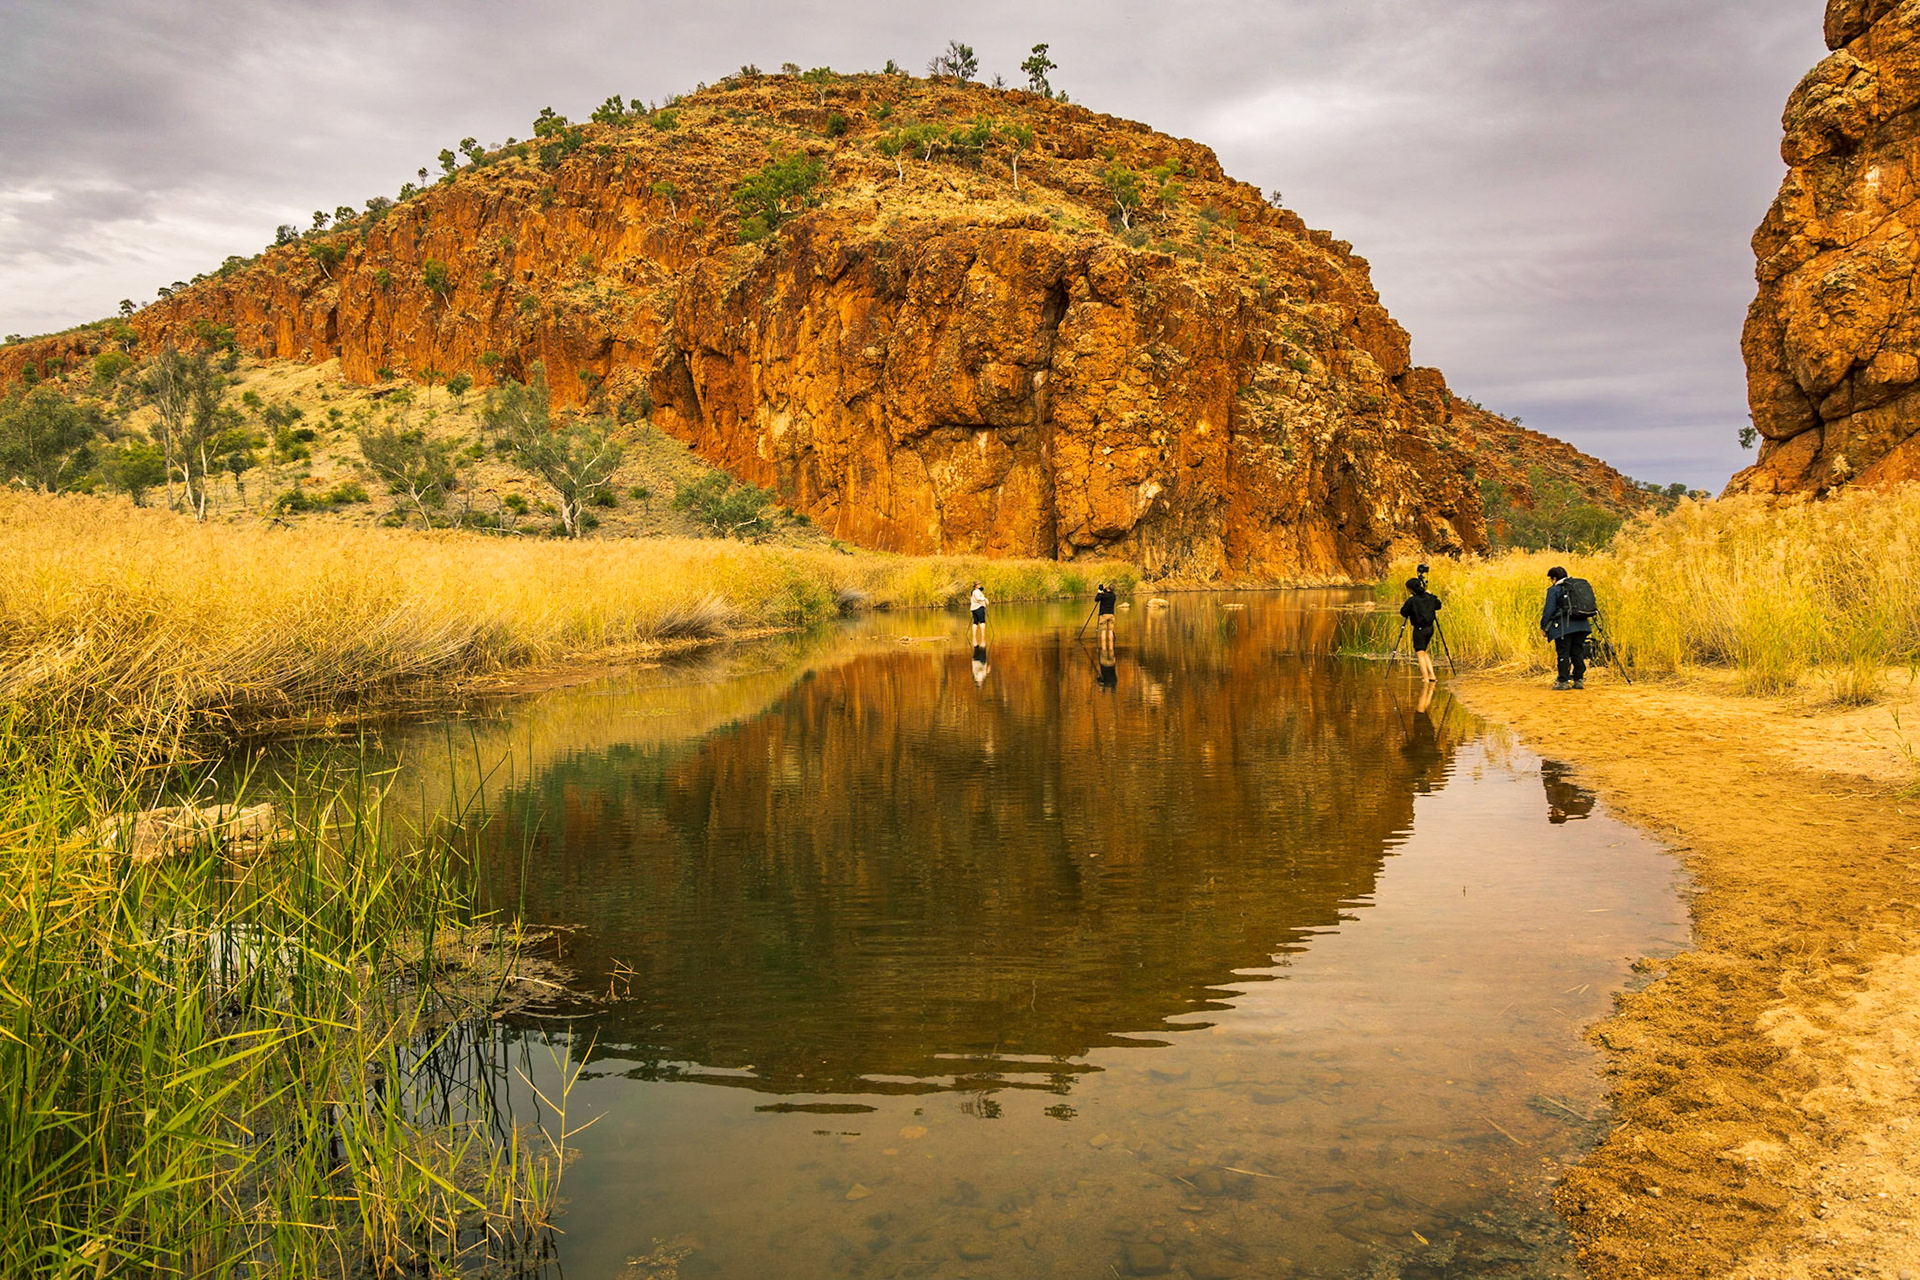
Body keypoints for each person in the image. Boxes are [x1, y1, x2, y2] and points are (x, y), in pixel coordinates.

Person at [1540, 566, 1592, 690]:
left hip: (1564, 627)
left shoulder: (1554, 590)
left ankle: (1563, 681)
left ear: (1554, 578)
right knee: (1577, 652)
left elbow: (1549, 610)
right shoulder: (1576, 587)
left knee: (1563, 652)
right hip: (1582, 625)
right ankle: (1578, 679)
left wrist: (1544, 626)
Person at [1398, 577, 1442, 683]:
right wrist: (1431, 595)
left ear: (1411, 589)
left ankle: (1426, 678)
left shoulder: (1412, 601)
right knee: (1423, 651)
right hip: (1430, 628)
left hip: (1419, 630)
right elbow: (1438, 605)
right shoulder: (1429, 597)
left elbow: (1404, 612)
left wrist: (1409, 602)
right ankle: (1432, 675)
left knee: (1420, 653)